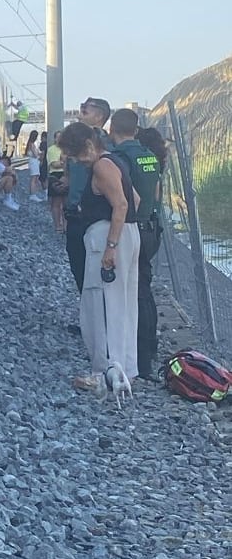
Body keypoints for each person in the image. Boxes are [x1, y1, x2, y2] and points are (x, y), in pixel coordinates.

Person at [58, 124, 140, 388]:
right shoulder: (116, 162)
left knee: (102, 304)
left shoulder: (101, 166)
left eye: (75, 154)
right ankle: (125, 368)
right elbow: (135, 199)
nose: (75, 160)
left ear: (88, 146)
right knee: (123, 304)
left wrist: (111, 246)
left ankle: (105, 373)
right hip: (127, 233)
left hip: (108, 237)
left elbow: (123, 204)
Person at [111, 111, 165, 380]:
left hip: (132, 229)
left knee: (133, 295)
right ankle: (149, 352)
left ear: (112, 129)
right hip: (152, 230)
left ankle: (140, 362)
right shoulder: (150, 157)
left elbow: (126, 199)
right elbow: (154, 195)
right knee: (145, 289)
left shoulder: (120, 159)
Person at [64, 98, 113, 293]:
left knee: (95, 272)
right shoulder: (76, 141)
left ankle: (98, 319)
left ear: (99, 116)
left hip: (94, 216)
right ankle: (89, 319)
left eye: (86, 109)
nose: (80, 110)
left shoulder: (105, 143)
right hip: (75, 215)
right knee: (79, 268)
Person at [47, 130, 67, 233]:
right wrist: (65, 162)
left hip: (66, 175)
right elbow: (54, 164)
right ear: (55, 138)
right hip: (55, 175)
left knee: (66, 202)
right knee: (56, 202)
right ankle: (57, 225)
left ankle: (65, 225)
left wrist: (63, 162)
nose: (59, 139)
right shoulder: (51, 150)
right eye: (58, 137)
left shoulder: (67, 149)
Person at [25, 130, 45, 202]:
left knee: (35, 178)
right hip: (34, 162)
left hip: (34, 162)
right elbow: (35, 155)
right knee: (34, 178)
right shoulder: (32, 144)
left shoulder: (30, 144)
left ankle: (34, 194)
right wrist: (40, 154)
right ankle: (32, 195)